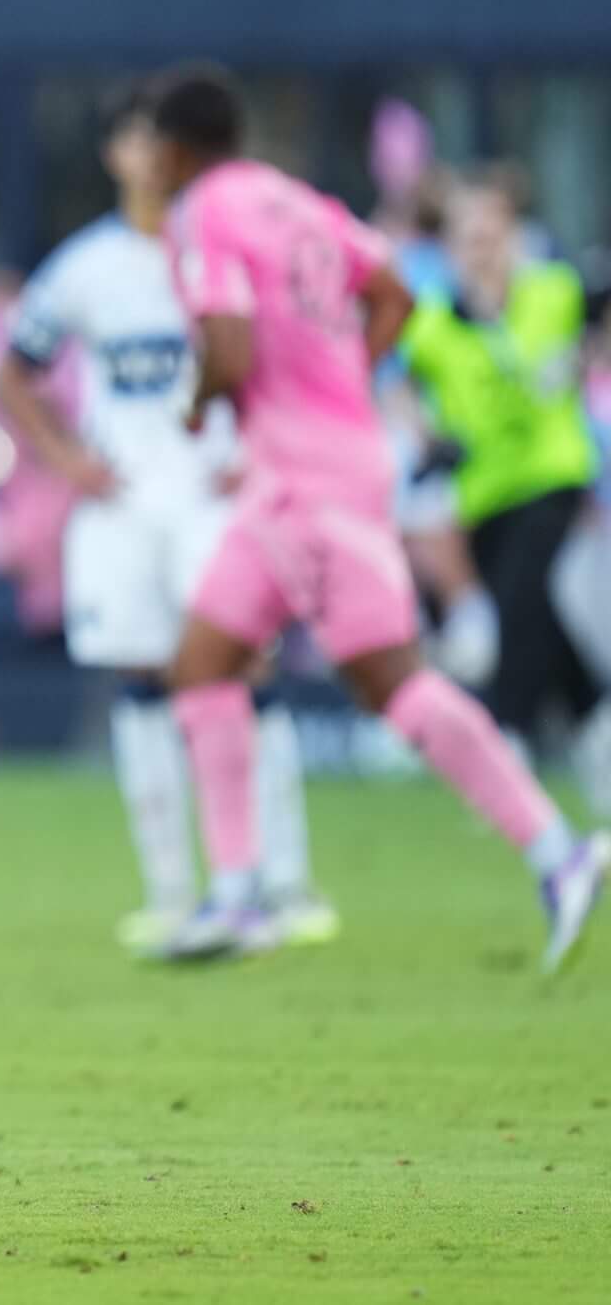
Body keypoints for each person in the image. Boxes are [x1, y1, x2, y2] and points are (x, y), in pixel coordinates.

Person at [149, 68, 608, 970]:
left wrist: (197, 404)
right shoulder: (305, 204)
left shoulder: (203, 213)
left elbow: (230, 344)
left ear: (172, 151)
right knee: (309, 674)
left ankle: (244, 894)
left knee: (278, 671)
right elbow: (394, 291)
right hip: (349, 463)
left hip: (293, 482)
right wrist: (342, 382)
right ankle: (555, 853)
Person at [0, 93, 332, 955]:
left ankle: (282, 885)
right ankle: (175, 892)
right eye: (136, 138)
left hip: (218, 495)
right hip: (127, 502)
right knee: (144, 683)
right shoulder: (84, 268)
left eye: (163, 138)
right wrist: (66, 457)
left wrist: (265, 446)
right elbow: (11, 372)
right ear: (115, 155)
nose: (151, 154)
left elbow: (294, 353)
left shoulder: (225, 251)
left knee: (242, 672)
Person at [397, 176, 609, 767]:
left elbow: (598, 320)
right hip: (483, 489)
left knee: (521, 597)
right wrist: (426, 433)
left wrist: (590, 355)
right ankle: (595, 716)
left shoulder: (554, 292)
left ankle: (504, 733)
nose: (482, 247)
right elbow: (403, 386)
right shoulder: (434, 322)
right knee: (535, 606)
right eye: (470, 237)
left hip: (551, 472)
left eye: (492, 233)